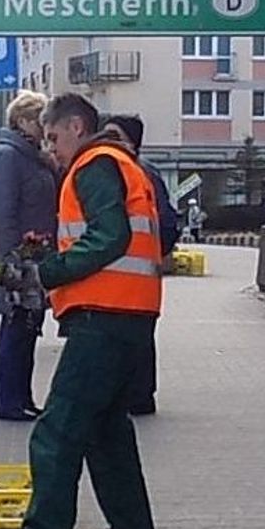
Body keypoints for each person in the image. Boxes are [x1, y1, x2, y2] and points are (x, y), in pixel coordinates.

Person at [0, 93, 161, 529]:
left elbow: (110, 237)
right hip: (130, 314)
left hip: (104, 315)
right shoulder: (122, 165)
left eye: (55, 137)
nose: (52, 149)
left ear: (78, 128)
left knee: (57, 430)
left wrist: (50, 272)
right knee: (105, 430)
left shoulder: (94, 165)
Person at [100, 113, 179, 415]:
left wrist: (152, 254)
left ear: (132, 142)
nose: (105, 140)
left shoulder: (140, 173)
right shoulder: (121, 171)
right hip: (129, 274)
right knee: (133, 337)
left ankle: (138, 396)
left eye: (113, 135)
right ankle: (136, 395)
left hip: (135, 274)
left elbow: (168, 222)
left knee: (136, 338)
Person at [0, 90, 58, 421]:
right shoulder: (7, 156)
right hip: (19, 261)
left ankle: (21, 397)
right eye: (41, 121)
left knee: (29, 329)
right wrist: (9, 265)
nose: (46, 129)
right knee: (16, 328)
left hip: (35, 258)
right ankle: (7, 401)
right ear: (24, 121)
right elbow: (2, 215)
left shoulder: (33, 156)